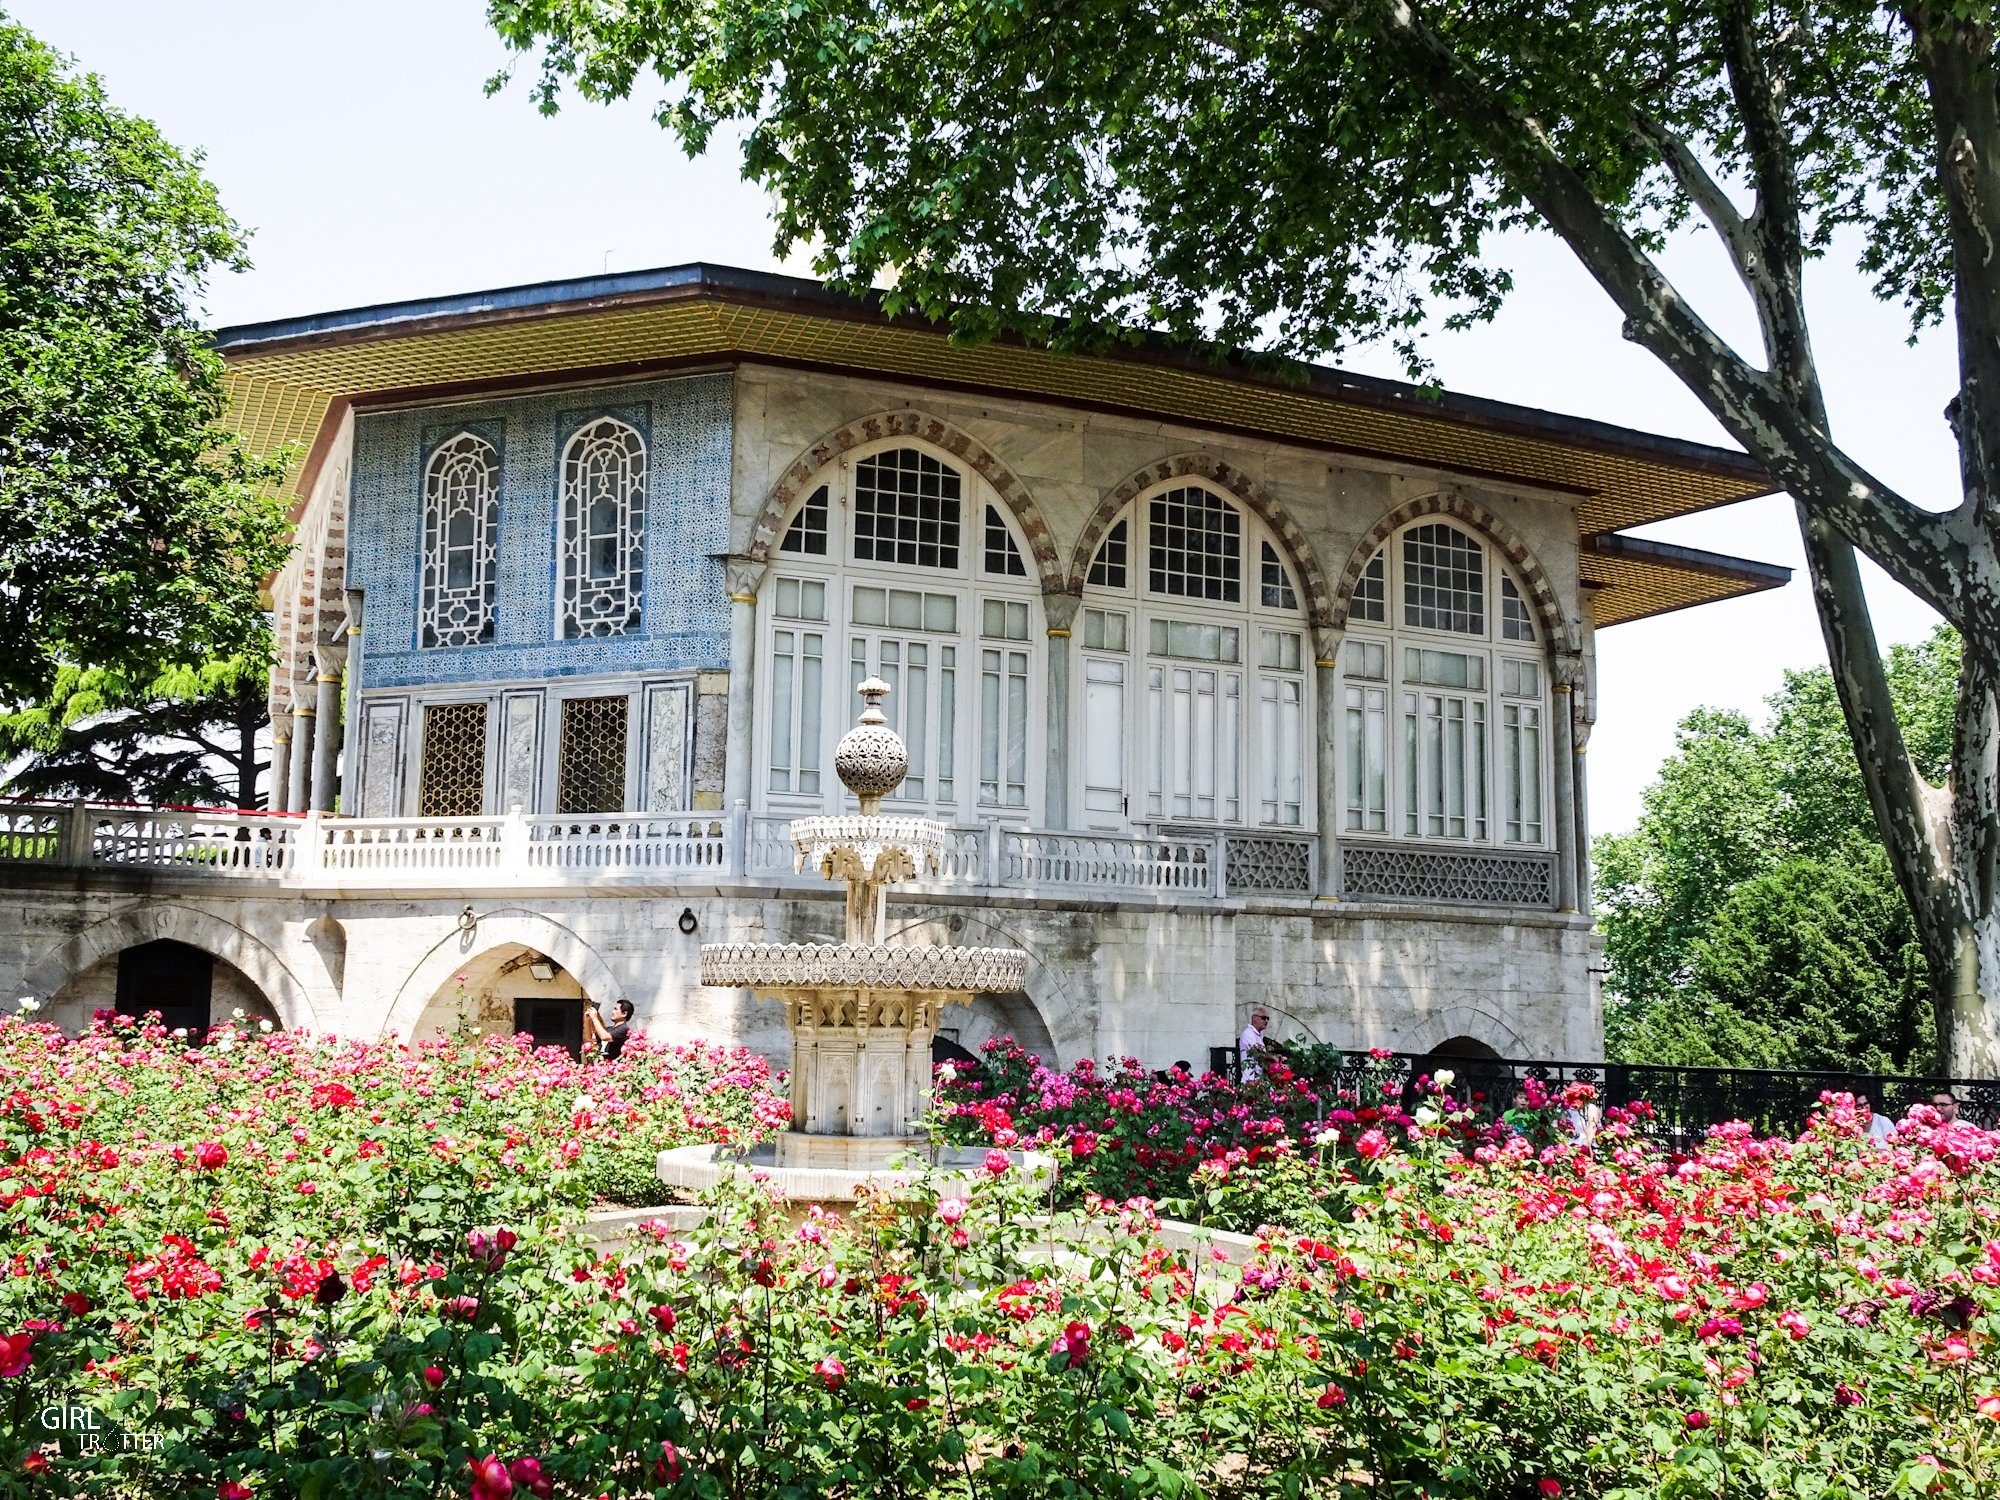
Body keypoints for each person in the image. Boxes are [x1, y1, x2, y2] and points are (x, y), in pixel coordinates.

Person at [1237, 1009, 1271, 1082]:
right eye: (1263, 1018)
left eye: (1268, 1019)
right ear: (1254, 1018)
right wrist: (1273, 1058)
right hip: (1250, 1079)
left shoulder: (1258, 1035)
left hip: (1258, 1079)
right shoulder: (1248, 1033)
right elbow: (1257, 1053)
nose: (1266, 1021)